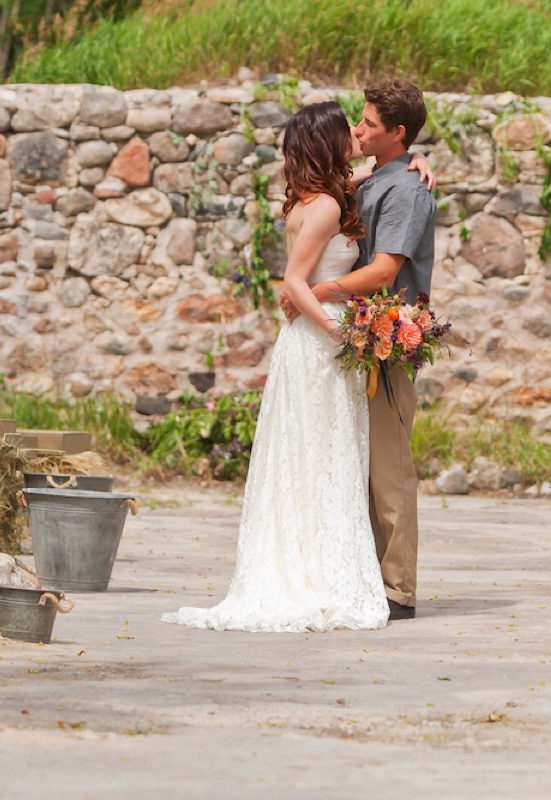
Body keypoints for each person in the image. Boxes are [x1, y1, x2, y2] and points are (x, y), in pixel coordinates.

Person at [162, 101, 403, 632]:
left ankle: (313, 560)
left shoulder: (317, 196)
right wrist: (339, 330)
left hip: (309, 343)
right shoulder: (321, 208)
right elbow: (293, 282)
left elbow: (372, 172)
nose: (354, 137)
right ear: (326, 143)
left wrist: (416, 162)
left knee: (318, 455)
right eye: (345, 132)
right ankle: (313, 575)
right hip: (319, 345)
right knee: (324, 452)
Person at [292, 80, 436, 621]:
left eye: (370, 124)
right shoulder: (376, 177)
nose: (358, 129)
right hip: (357, 336)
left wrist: (310, 291)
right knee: (358, 462)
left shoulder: (405, 190)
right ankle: (365, 577)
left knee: (389, 467)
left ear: (397, 133)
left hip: (388, 340)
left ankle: (398, 589)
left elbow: (383, 270)